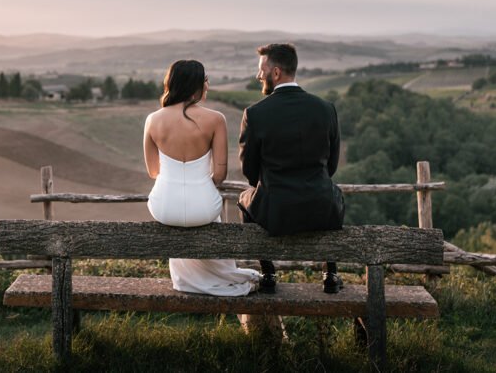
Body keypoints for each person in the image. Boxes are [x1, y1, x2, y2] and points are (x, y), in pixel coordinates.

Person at [144, 59, 261, 296]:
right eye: (206, 81)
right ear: (196, 85)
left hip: (164, 208)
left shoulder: (153, 120)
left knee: (179, 214)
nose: (207, 86)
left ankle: (189, 280)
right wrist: (198, 187)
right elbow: (219, 174)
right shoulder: (216, 119)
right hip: (205, 209)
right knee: (204, 212)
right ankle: (219, 275)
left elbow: (153, 171)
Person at [238, 43, 346, 294]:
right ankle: (330, 273)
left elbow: (249, 171)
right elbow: (331, 165)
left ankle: (268, 272)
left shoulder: (255, 114)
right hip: (321, 207)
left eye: (261, 70)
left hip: (276, 210)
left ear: (275, 73)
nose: (258, 76)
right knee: (334, 193)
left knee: (244, 199)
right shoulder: (326, 109)